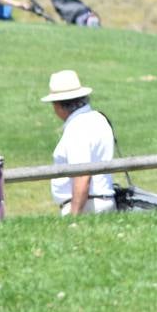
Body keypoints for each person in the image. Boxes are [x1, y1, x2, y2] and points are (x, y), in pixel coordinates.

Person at [42, 69, 116, 216]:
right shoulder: (99, 118)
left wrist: (74, 217)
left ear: (58, 105)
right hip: (102, 202)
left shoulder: (77, 128)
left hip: (86, 206)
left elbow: (82, 175)